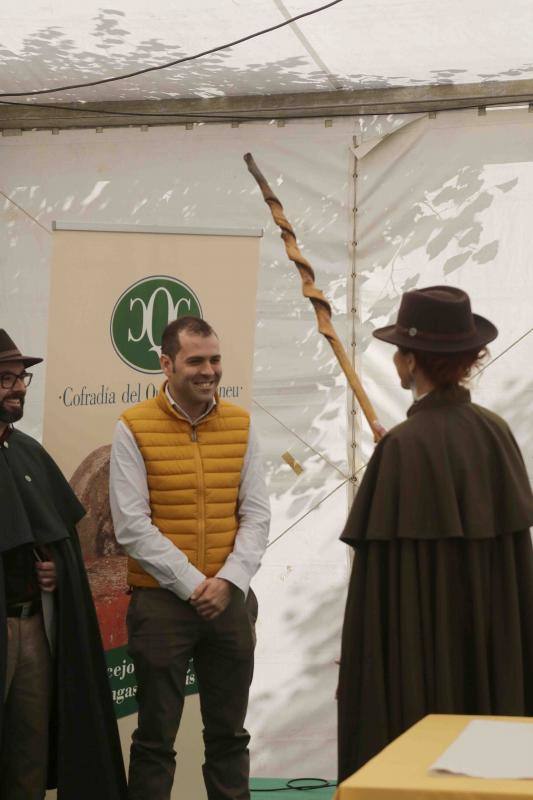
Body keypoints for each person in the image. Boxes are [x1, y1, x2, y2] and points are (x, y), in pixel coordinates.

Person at [337, 286, 533, 781]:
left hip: (416, 675)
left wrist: (399, 455)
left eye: (400, 351)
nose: (397, 360)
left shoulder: (401, 448)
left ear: (411, 361)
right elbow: (515, 572)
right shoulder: (496, 433)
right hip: (492, 654)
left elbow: (377, 599)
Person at [109, 315, 270, 800]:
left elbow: (257, 516)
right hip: (161, 604)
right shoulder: (132, 428)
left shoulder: (242, 425)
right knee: (155, 740)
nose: (209, 370)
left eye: (215, 359)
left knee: (229, 736)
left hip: (230, 602)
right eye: (195, 360)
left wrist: (229, 581)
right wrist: (194, 584)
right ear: (166, 364)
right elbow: (132, 525)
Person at [0, 329, 127, 800]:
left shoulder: (27, 452)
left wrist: (55, 571)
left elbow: (54, 540)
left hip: (30, 628)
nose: (17, 388)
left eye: (21, 378)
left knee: (29, 749)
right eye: (5, 378)